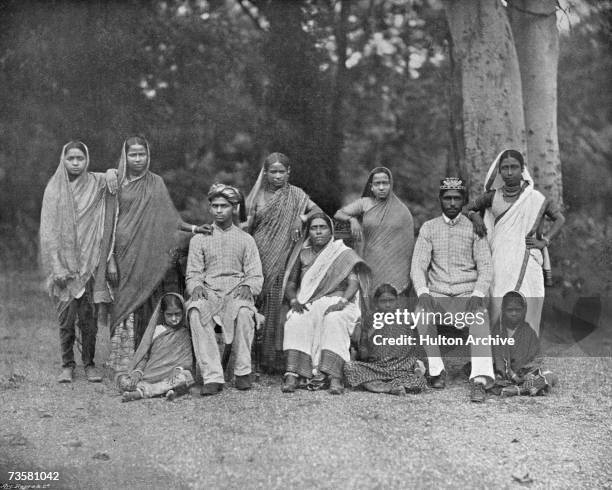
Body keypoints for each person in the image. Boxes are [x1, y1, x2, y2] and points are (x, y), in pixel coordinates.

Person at [95, 135, 209, 376]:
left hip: (147, 252)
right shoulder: (115, 181)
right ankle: (122, 361)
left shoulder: (155, 182)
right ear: (124, 156)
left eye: (142, 154)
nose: (138, 159)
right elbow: (107, 223)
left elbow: (170, 218)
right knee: (124, 304)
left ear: (149, 155)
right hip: (122, 252)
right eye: (133, 154)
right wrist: (111, 259)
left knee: (147, 301)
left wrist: (195, 229)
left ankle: (146, 360)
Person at [410, 177, 495, 403]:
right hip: (437, 292)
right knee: (422, 313)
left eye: (457, 198)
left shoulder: (474, 228)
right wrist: (423, 293)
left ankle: (480, 380)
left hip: (467, 292)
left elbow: (486, 266)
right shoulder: (429, 228)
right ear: (440, 200)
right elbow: (418, 265)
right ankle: (436, 371)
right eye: (447, 198)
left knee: (479, 317)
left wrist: (478, 295)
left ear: (464, 200)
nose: (452, 203)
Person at [467, 149, 565, 335]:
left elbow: (559, 219)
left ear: (522, 170)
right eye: (505, 168)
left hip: (527, 261)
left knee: (528, 301)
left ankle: (525, 357)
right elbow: (467, 208)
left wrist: (545, 241)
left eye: (514, 167)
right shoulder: (492, 196)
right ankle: (500, 356)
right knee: (498, 302)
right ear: (499, 171)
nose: (509, 172)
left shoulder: (535, 198)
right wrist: (475, 216)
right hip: (500, 261)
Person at [40, 141, 113, 383]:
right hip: (63, 265)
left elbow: (117, 177)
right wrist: (57, 266)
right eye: (70, 158)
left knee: (89, 318)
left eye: (79, 158)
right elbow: (49, 232)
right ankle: (67, 364)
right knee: (66, 319)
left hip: (90, 263)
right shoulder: (54, 189)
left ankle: (90, 363)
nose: (75, 163)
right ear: (63, 159)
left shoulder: (97, 182)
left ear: (86, 160)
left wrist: (112, 172)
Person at [245, 152, 321, 372]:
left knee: (275, 303)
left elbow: (317, 211)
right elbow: (246, 226)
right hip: (258, 255)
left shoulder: (297, 196)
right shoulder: (256, 197)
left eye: (281, 172)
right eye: (273, 172)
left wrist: (302, 217)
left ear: (289, 173)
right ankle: (252, 360)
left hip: (283, 257)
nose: (277, 176)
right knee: (256, 303)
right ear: (265, 173)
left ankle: (273, 360)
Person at [186, 184, 264, 396]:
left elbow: (255, 273)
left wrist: (248, 286)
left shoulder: (246, 239)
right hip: (209, 291)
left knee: (245, 312)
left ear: (234, 208)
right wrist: (196, 287)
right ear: (210, 208)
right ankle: (213, 376)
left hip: (236, 291)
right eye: (215, 206)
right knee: (195, 309)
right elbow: (193, 273)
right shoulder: (199, 239)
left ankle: (242, 372)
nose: (219, 210)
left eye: (224, 206)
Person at [282, 213, 370, 395]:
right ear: (309, 232)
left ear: (331, 232)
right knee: (296, 320)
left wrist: (343, 302)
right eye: (314, 228)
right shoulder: (303, 254)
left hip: (339, 301)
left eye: (323, 227)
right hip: (310, 301)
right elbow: (291, 284)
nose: (318, 232)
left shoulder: (343, 253)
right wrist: (293, 300)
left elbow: (354, 282)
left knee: (334, 319)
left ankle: (334, 376)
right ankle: (293, 373)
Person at [334, 167, 414, 296]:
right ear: (371, 187)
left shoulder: (401, 210)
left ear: (390, 185)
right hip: (369, 259)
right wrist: (352, 220)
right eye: (377, 184)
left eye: (385, 183)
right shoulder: (365, 203)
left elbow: (406, 243)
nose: (381, 187)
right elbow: (339, 213)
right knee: (369, 293)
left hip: (393, 262)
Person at [343, 284, 427, 396]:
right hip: (377, 369)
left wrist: (417, 369)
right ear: (376, 303)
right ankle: (389, 388)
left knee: (419, 381)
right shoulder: (369, 320)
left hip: (402, 370)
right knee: (350, 368)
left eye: (391, 301)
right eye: (383, 301)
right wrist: (370, 332)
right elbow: (363, 355)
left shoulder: (407, 319)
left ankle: (384, 386)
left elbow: (415, 352)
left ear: (397, 301)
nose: (387, 305)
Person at [118, 293, 195, 402]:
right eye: (169, 315)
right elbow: (145, 356)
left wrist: (178, 369)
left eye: (178, 314)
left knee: (186, 377)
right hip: (151, 375)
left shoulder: (184, 333)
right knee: (124, 382)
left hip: (171, 376)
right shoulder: (156, 330)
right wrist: (138, 372)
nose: (174, 319)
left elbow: (187, 359)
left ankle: (140, 393)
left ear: (183, 312)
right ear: (162, 313)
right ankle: (167, 392)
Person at [490, 291, 557, 396]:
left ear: (524, 311)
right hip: (502, 373)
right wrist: (513, 376)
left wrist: (529, 373)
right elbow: (498, 359)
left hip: (525, 372)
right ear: (503, 310)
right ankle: (530, 387)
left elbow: (536, 357)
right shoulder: (497, 331)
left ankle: (519, 390)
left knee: (550, 376)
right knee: (488, 380)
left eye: (518, 310)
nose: (514, 313)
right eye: (510, 310)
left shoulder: (529, 332)